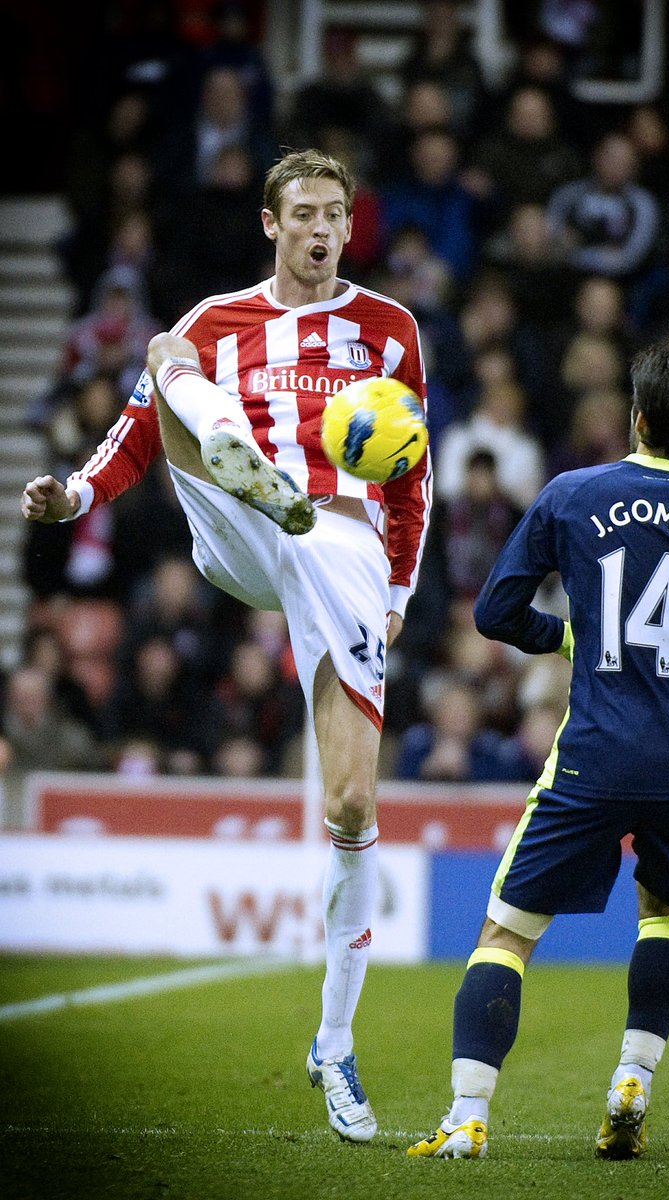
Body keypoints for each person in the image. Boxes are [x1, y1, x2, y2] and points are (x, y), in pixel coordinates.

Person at [20, 148, 432, 1144]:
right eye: (304, 213)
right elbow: (134, 429)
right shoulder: (220, 321)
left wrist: (403, 594)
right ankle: (256, 473)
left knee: (349, 804)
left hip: (341, 548)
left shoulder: (390, 329)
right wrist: (77, 495)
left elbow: (413, 473)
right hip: (241, 519)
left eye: (336, 212)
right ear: (271, 223)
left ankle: (333, 1044)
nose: (322, 228)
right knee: (168, 357)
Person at [406, 340, 669, 1160]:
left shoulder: (573, 494)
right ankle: (632, 1079)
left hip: (595, 753)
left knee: (506, 935)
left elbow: (492, 612)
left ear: (635, 416)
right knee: (666, 913)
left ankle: (466, 1118)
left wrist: (568, 637)